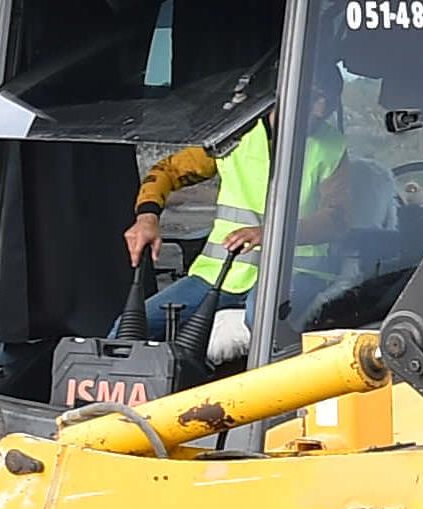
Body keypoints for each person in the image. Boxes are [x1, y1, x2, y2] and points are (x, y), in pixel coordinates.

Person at [124, 62, 351, 337]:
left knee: (263, 321)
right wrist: (146, 218)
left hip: (298, 274)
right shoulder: (233, 134)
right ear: (281, 93)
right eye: (315, 96)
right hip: (219, 273)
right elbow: (166, 172)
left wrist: (269, 233)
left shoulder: (332, 147)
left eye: (329, 101)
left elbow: (336, 221)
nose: (321, 110)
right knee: (130, 328)